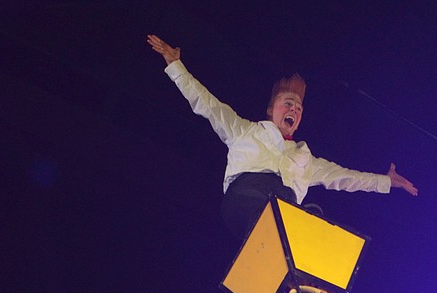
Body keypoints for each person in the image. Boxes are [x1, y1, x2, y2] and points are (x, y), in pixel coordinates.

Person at [147, 34, 418, 240]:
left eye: (298, 108)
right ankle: (275, 234)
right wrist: (175, 65)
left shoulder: (306, 159)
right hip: (246, 196)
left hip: (284, 206)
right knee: (271, 208)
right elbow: (206, 103)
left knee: (306, 216)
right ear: (271, 110)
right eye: (288, 103)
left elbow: (347, 178)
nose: (293, 109)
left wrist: (386, 181)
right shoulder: (245, 130)